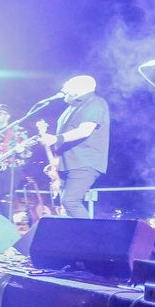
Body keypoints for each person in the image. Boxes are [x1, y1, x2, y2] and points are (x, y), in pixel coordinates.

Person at [39, 74, 109, 218]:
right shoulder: (69, 109)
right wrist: (56, 163)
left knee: (70, 201)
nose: (63, 89)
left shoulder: (95, 102)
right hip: (68, 164)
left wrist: (55, 138)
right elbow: (63, 143)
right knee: (66, 206)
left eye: (68, 85)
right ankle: (79, 237)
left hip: (84, 162)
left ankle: (94, 238)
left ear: (80, 88)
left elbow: (85, 130)